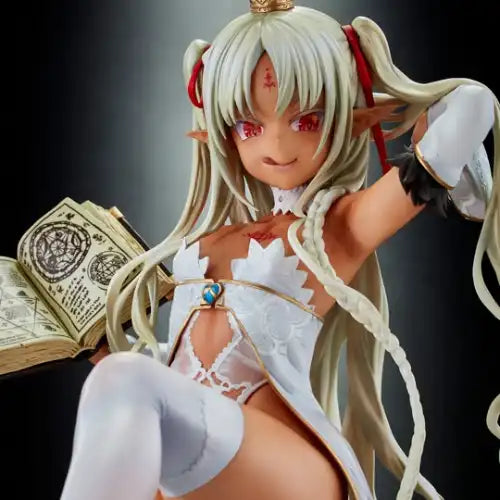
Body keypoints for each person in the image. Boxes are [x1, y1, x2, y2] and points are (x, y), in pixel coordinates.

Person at [61, 1, 499, 499]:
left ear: (345, 118)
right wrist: (109, 350)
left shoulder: (337, 226)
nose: (276, 143)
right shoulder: (212, 238)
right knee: (123, 376)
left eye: (306, 120)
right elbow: (193, 360)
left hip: (287, 463)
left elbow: (476, 101)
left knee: (127, 379)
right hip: (194, 452)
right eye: (250, 126)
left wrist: (427, 148)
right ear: (224, 132)